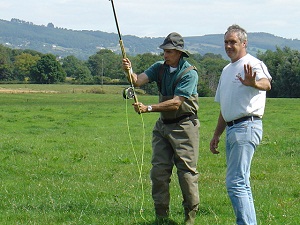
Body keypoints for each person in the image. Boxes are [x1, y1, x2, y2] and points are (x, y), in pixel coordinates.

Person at [122, 32, 200, 225]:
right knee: (158, 173)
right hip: (163, 126)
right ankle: (161, 217)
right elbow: (137, 81)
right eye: (164, 51)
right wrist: (128, 70)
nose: (165, 54)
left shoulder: (189, 73)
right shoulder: (159, 67)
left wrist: (148, 108)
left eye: (169, 51)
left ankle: (189, 218)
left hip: (184, 126)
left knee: (186, 175)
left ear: (179, 53)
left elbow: (176, 103)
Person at [209, 24, 272, 225]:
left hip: (246, 126)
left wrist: (253, 83)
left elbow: (266, 84)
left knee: (236, 183)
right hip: (232, 128)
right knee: (241, 182)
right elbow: (225, 106)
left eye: (233, 42)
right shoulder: (227, 70)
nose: (228, 45)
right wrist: (217, 134)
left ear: (244, 43)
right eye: (226, 42)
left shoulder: (253, 63)